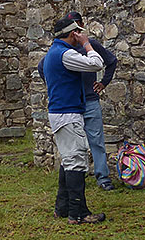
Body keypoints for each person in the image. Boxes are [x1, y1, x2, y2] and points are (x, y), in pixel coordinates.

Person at [38, 11, 118, 191]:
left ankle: (102, 177)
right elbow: (42, 67)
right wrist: (56, 87)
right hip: (70, 104)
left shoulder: (90, 45)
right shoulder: (62, 51)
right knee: (73, 147)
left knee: (96, 140)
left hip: (88, 99)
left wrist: (103, 83)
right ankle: (74, 183)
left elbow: (110, 61)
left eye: (77, 26)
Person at [42, 17, 106, 224]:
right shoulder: (65, 54)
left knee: (68, 159)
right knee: (77, 161)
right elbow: (97, 64)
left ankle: (63, 207)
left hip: (60, 112)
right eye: (78, 33)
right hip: (68, 113)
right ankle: (78, 213)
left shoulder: (53, 53)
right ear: (73, 34)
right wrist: (86, 44)